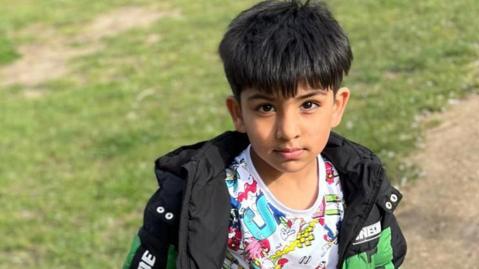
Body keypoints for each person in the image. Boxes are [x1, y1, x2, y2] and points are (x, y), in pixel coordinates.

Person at [122, 0, 407, 268]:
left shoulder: (360, 184)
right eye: (266, 107)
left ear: (337, 106)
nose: (288, 131)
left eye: (308, 104)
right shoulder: (198, 197)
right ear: (238, 113)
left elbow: (384, 258)